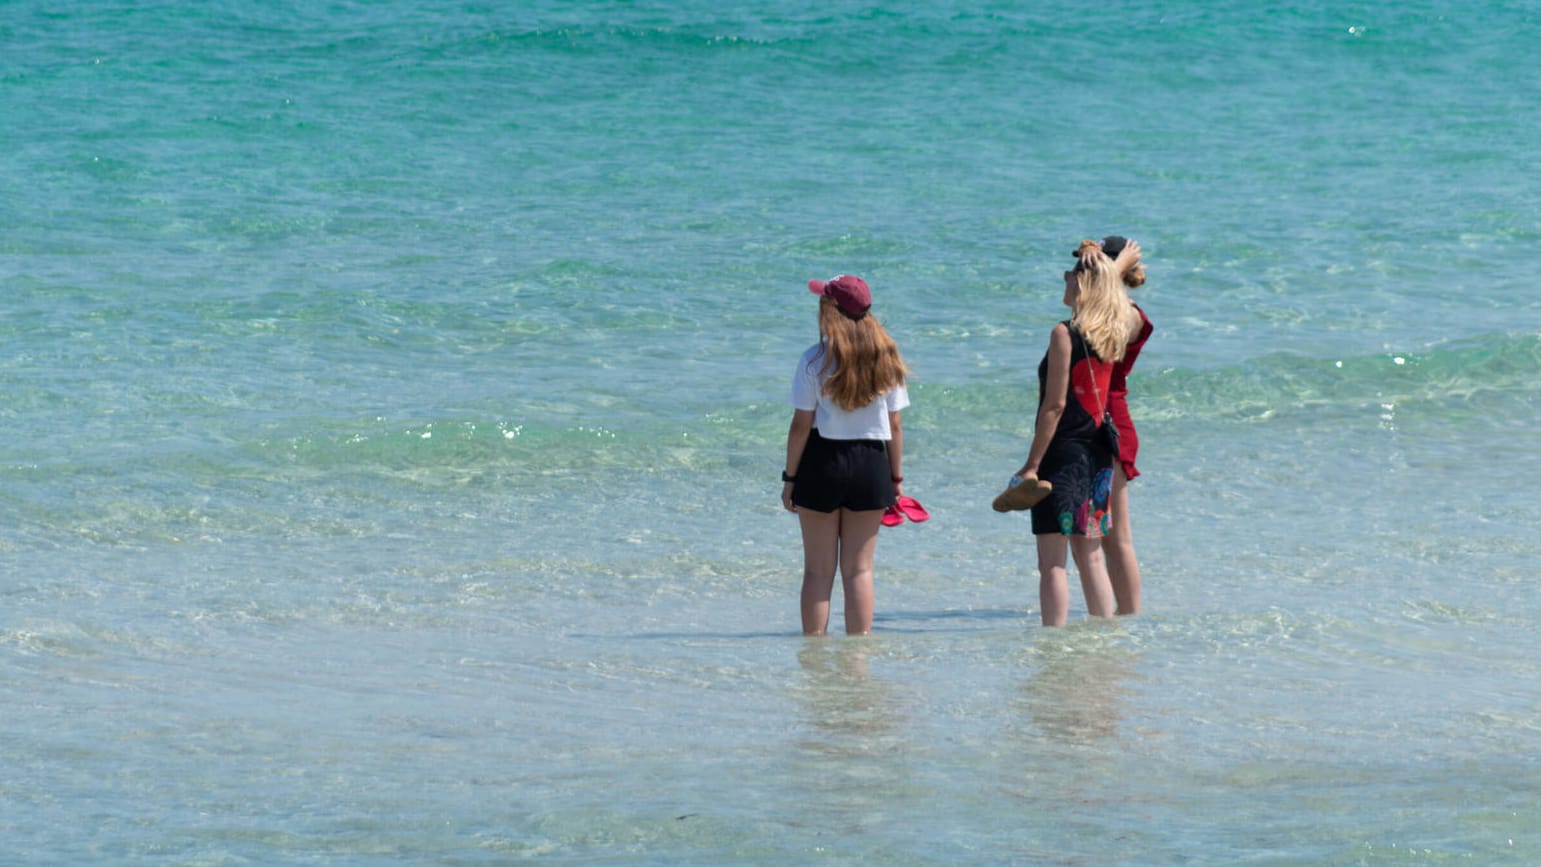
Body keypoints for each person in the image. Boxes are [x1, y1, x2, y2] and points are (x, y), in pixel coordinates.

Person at [1012, 242, 1142, 627]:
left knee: (1052, 562)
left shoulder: (1063, 334)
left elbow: (1053, 407)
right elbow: (1115, 301)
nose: (1065, 279)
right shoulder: (1116, 329)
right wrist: (1106, 267)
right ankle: (1104, 635)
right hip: (1099, 451)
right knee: (1091, 554)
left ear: (1084, 284)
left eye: (1071, 274)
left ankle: (1053, 644)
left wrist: (1032, 465)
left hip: (1063, 453)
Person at [782, 275, 910, 636]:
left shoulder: (815, 360)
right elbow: (895, 426)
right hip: (871, 463)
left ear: (831, 311)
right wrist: (896, 480)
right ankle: (858, 660)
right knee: (860, 570)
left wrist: (789, 479)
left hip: (822, 462)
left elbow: (800, 427)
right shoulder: (886, 357)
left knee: (818, 572)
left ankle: (815, 657)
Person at [1099, 236, 1154, 616]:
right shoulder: (1104, 309)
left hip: (1111, 422)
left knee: (1116, 534)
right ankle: (1119, 614)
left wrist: (1112, 274)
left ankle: (1130, 615)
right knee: (1102, 533)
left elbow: (1097, 334)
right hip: (1095, 419)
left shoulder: (1126, 314)